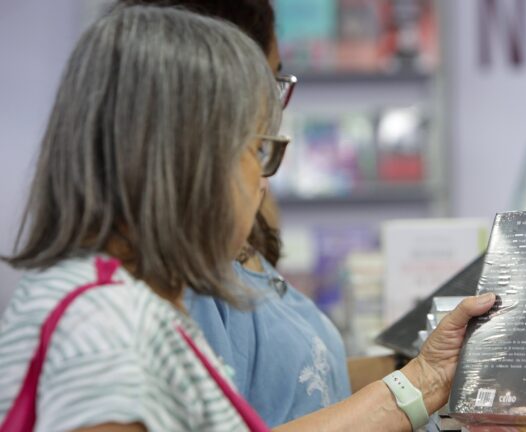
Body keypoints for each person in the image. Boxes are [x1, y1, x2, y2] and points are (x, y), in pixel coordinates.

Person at [0, 5, 496, 431]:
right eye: (259, 149)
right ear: (189, 158)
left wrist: (426, 377)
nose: (262, 182)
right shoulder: (106, 326)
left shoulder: (114, 304)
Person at [120, 0, 354, 426]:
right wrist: (408, 392)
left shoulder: (223, 239)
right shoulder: (176, 271)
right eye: (270, 81)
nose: (274, 108)